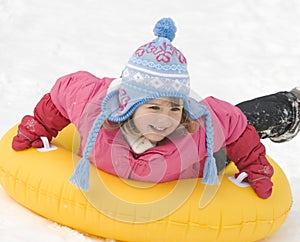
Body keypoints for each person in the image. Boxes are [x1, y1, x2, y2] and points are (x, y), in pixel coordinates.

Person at [11, 18, 300, 199]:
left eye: (174, 108)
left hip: (200, 162)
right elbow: (64, 92)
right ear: (128, 105)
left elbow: (236, 129)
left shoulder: (198, 127)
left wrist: (255, 166)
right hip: (127, 109)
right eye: (154, 107)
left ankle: (291, 107)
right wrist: (40, 125)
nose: (165, 120)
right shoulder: (94, 107)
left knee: (243, 119)